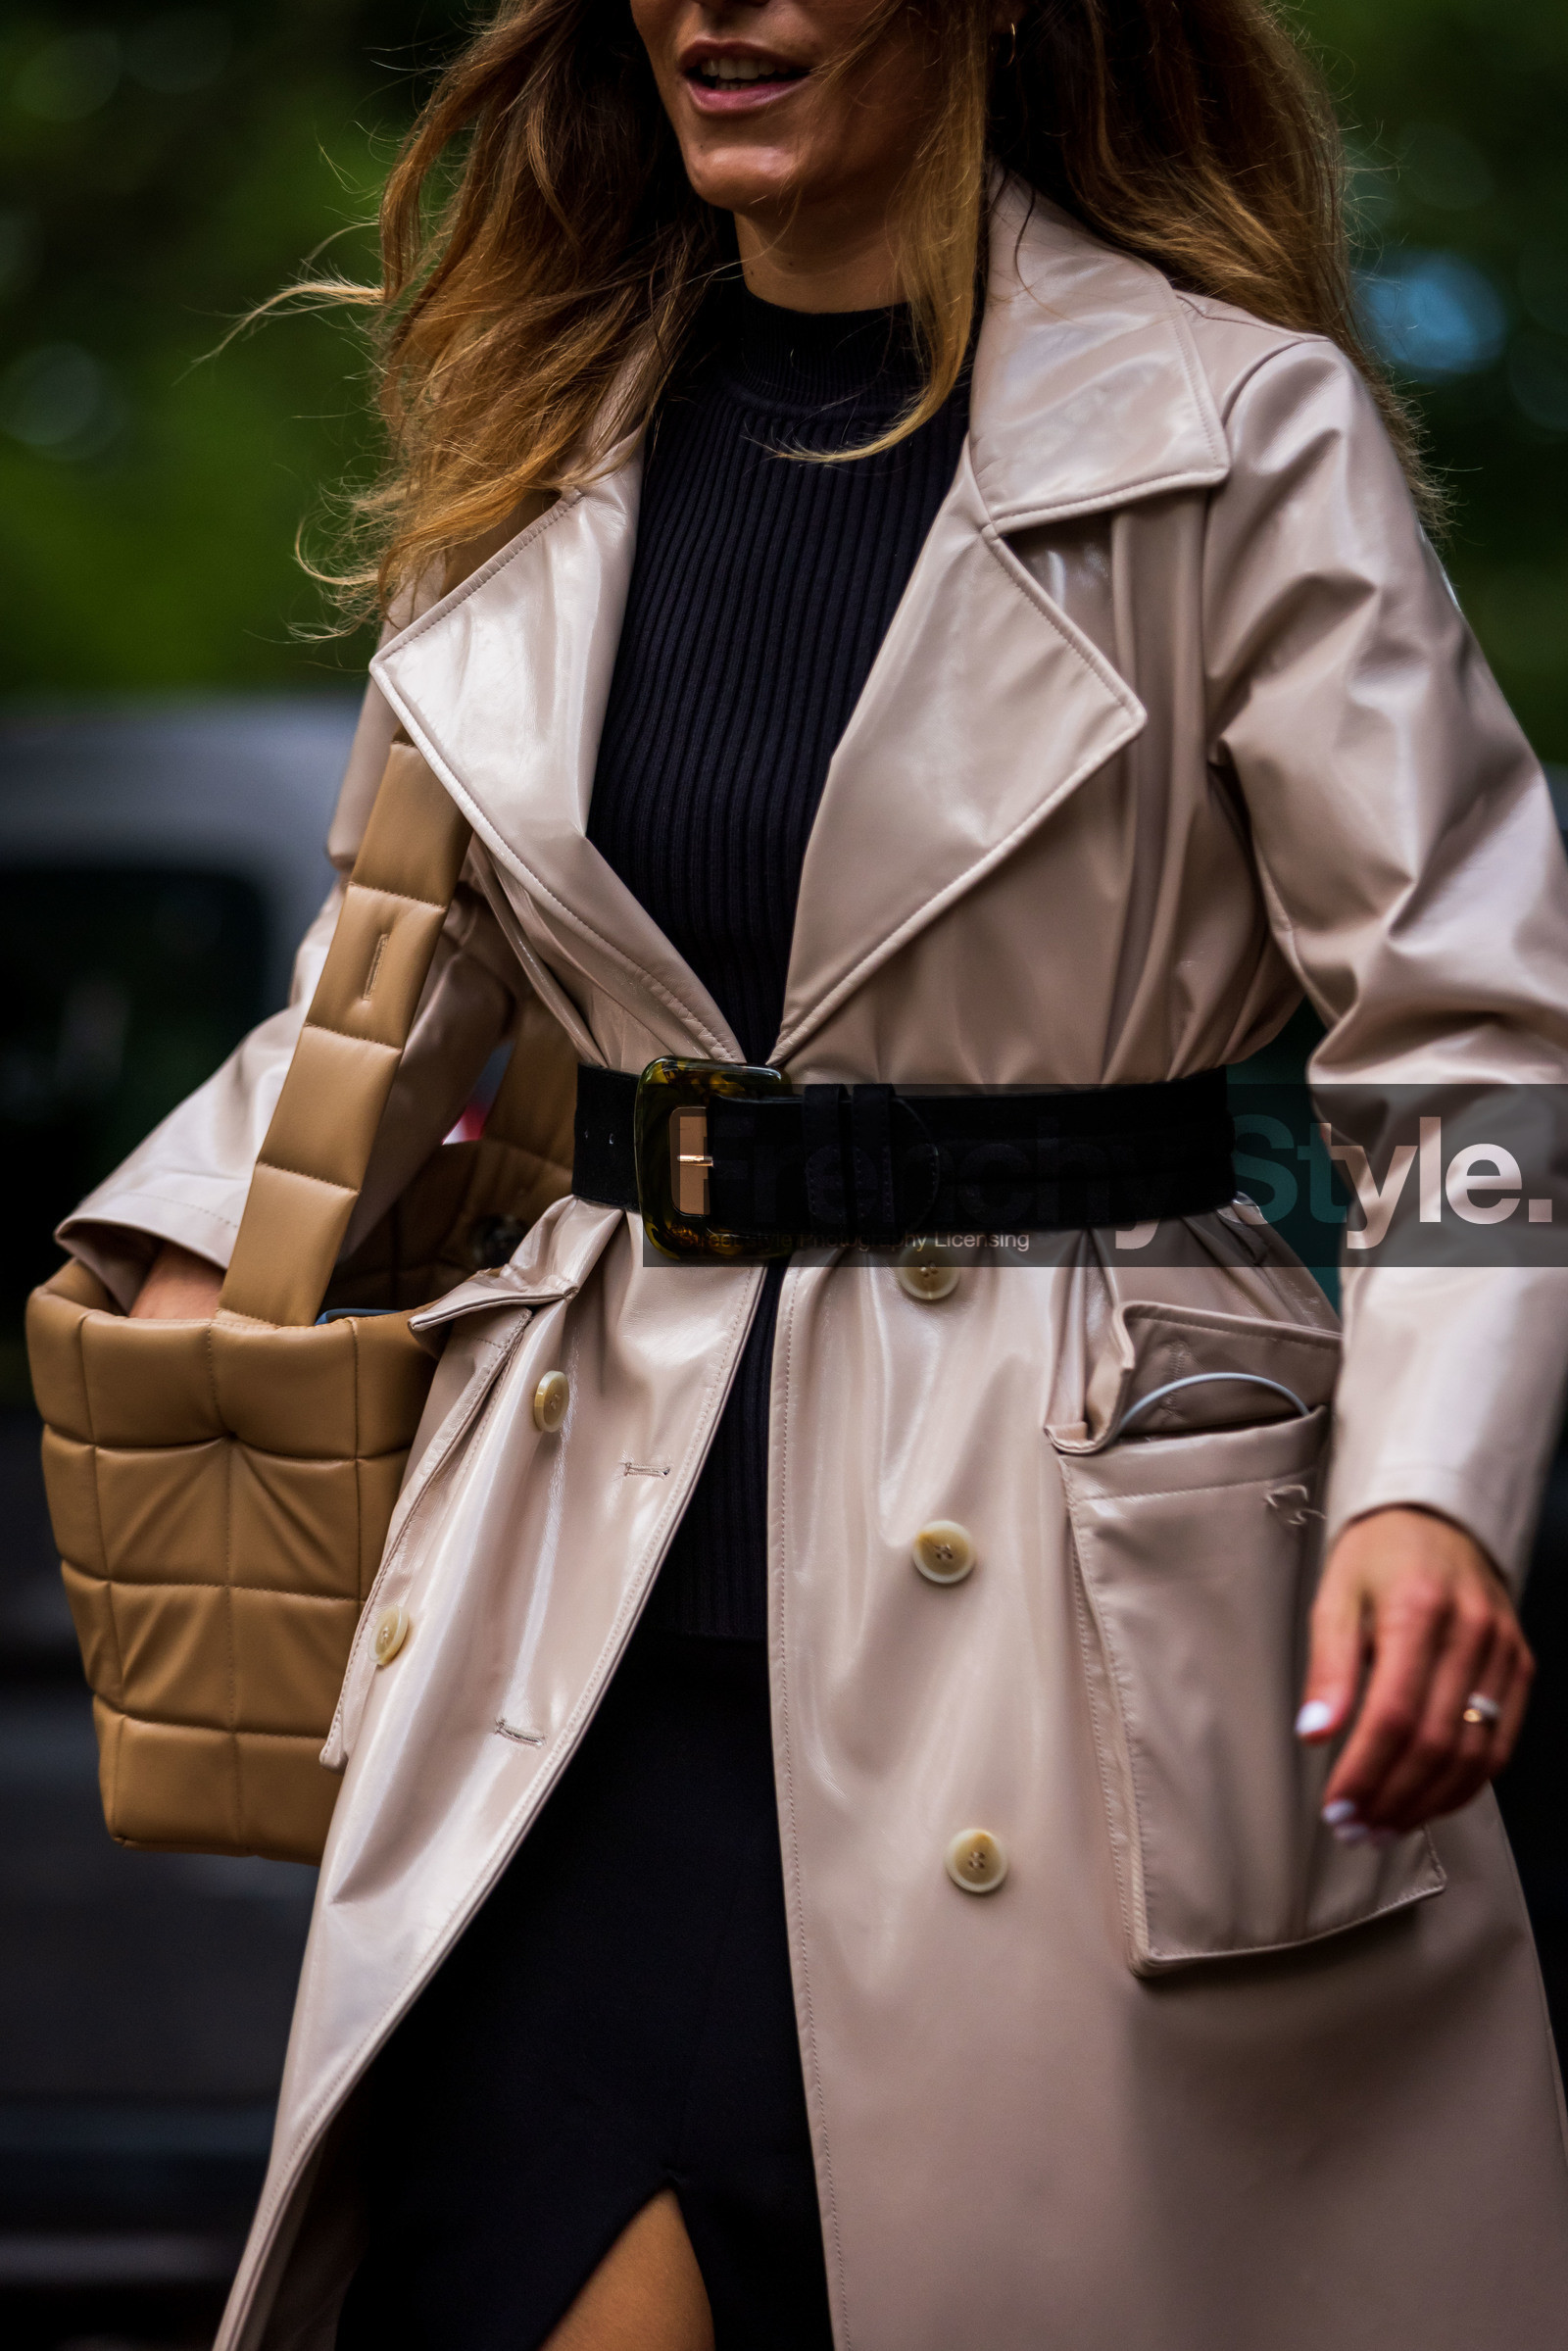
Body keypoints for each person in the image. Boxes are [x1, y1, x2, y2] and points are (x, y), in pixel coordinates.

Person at [61, 2, 1568, 2345]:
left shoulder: (1234, 433)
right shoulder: (538, 444)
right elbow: (398, 988)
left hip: (1076, 1653)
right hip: (572, 1633)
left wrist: (1428, 1489)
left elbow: (1470, 1031)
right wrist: (192, 1251)